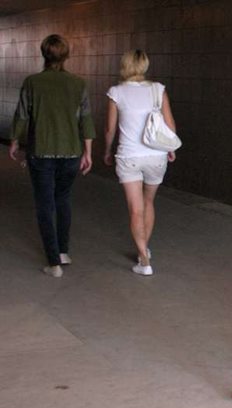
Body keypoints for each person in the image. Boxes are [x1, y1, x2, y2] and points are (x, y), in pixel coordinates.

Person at [9, 34, 96, 278]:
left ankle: (53, 262)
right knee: (63, 199)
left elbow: (22, 114)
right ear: (66, 55)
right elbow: (86, 119)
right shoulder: (78, 84)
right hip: (71, 153)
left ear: (43, 54)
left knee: (44, 204)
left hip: (41, 152)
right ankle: (64, 251)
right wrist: (88, 152)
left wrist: (14, 140)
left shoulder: (32, 82)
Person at [103, 50, 177, 276]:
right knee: (148, 202)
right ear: (144, 65)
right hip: (156, 156)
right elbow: (170, 125)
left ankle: (144, 259)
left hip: (129, 157)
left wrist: (107, 150)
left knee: (135, 209)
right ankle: (144, 248)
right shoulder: (158, 90)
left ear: (125, 65)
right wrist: (170, 148)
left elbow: (109, 129)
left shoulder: (116, 92)